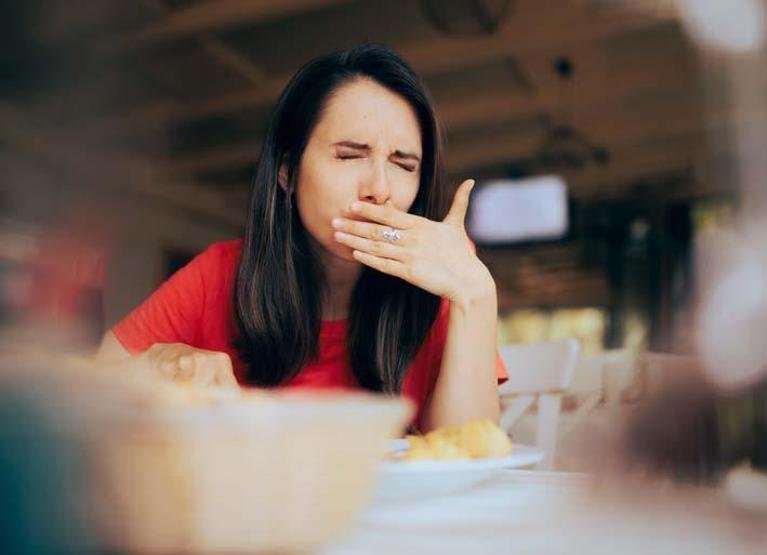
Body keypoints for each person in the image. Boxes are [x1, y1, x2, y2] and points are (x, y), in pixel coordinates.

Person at [96, 44, 506, 432]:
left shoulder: (444, 276)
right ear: (288, 172)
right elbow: (92, 385)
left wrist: (475, 295)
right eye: (349, 155)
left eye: (404, 164)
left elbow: (467, 451)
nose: (379, 189)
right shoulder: (221, 274)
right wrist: (165, 364)